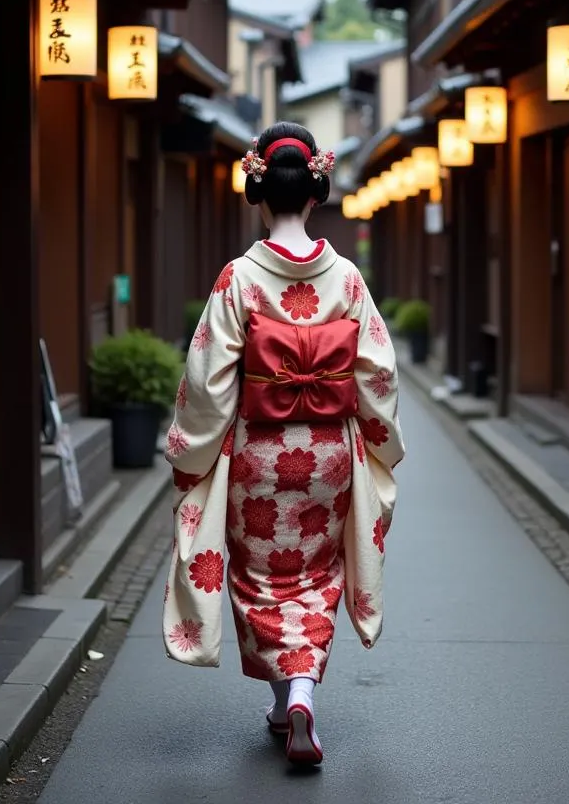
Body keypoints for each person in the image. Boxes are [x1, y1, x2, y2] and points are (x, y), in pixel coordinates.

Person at [161, 121, 405, 767]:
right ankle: (298, 693)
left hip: (258, 453)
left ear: (258, 193)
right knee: (317, 573)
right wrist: (379, 440)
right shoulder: (347, 276)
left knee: (262, 574)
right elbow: (377, 372)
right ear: (317, 192)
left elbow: (208, 377)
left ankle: (283, 698)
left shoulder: (239, 276)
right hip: (327, 450)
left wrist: (190, 449)